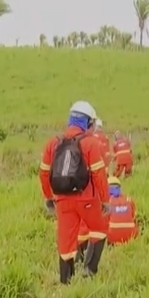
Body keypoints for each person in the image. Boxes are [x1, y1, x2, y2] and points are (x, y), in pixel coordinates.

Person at [38, 100, 110, 284]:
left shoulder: (52, 143)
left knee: (66, 242)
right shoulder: (90, 143)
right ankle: (88, 271)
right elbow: (99, 174)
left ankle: (65, 282)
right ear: (87, 123)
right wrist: (105, 199)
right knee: (99, 229)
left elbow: (44, 173)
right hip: (87, 199)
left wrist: (48, 197)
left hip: (62, 201)